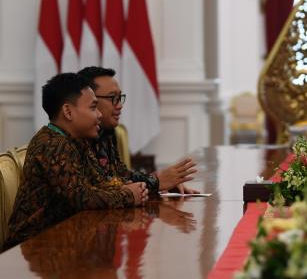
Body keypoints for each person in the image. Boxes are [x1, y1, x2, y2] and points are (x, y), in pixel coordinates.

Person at [3, 73, 147, 250]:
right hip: (35, 248)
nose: (99, 114)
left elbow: (100, 183)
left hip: (64, 240)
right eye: (93, 108)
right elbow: (83, 198)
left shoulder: (76, 141)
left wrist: (138, 188)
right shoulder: (52, 144)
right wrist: (128, 195)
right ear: (68, 112)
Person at [77, 66, 198, 194]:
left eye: (120, 98)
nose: (119, 105)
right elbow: (94, 190)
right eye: (112, 98)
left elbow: (121, 175)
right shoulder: (75, 137)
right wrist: (156, 182)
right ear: (90, 99)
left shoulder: (106, 131)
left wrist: (161, 181)